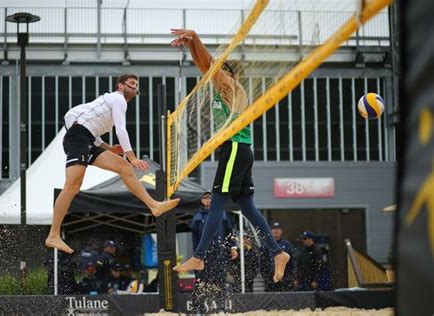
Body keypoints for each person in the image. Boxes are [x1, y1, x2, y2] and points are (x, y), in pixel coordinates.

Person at [170, 28, 290, 283]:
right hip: (240, 150)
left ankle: (200, 255)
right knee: (247, 207)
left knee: (216, 202)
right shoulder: (220, 89)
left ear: (229, 74)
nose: (217, 74)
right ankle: (278, 253)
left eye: (222, 71)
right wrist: (191, 44)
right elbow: (205, 65)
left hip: (236, 148)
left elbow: (210, 65)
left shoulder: (233, 87)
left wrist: (194, 36)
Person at [45, 73, 180, 254]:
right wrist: (131, 156)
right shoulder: (118, 99)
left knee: (124, 168)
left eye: (137, 85)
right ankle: (53, 234)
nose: (135, 86)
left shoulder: (104, 104)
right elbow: (121, 130)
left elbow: (74, 118)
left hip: (87, 139)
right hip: (78, 139)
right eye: (131, 83)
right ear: (120, 86)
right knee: (73, 185)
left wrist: (107, 147)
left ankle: (153, 205)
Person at [188, 190, 233, 313]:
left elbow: (230, 233)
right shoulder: (197, 218)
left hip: (220, 255)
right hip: (202, 257)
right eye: (205, 197)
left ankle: (221, 309)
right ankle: (198, 309)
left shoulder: (221, 214)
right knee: (200, 283)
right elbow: (195, 240)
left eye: (210, 197)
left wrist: (233, 248)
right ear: (202, 201)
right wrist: (196, 257)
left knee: (220, 282)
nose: (208, 199)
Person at [260, 222, 295, 292]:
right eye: (274, 229)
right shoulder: (266, 245)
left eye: (278, 229)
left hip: (285, 280)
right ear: (270, 231)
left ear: (281, 231)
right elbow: (262, 262)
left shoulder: (286, 244)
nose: (276, 231)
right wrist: (267, 277)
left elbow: (292, 262)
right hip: (270, 280)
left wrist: (289, 277)